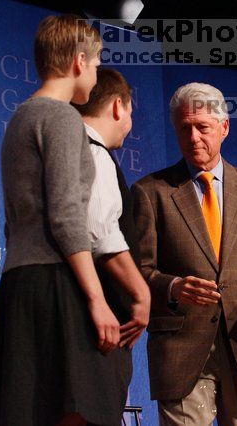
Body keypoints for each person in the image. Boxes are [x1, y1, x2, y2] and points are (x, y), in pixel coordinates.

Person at [0, 15, 125, 426]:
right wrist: (97, 299)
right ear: (80, 61)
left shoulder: (21, 118)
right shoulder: (60, 118)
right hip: (57, 284)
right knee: (78, 411)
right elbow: (66, 215)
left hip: (20, 287)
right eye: (96, 64)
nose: (96, 75)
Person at [132, 82, 237, 426]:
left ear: (224, 128)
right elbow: (137, 270)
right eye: (185, 128)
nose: (194, 137)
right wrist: (173, 287)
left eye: (203, 127)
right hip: (181, 349)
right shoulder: (151, 193)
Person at [72, 67, 152, 420]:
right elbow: (100, 234)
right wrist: (141, 294)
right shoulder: (95, 155)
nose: (129, 122)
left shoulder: (69, 151)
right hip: (96, 329)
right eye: (131, 112)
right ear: (118, 107)